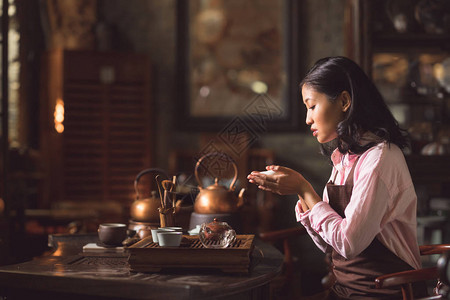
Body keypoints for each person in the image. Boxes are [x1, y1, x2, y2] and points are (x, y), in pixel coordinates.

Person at [247, 56, 426, 299]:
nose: (307, 118)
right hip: (345, 291)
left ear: (343, 101)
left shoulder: (380, 160)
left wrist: (304, 187)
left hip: (384, 292)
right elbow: (329, 245)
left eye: (311, 106)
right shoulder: (343, 157)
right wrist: (301, 193)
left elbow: (347, 244)